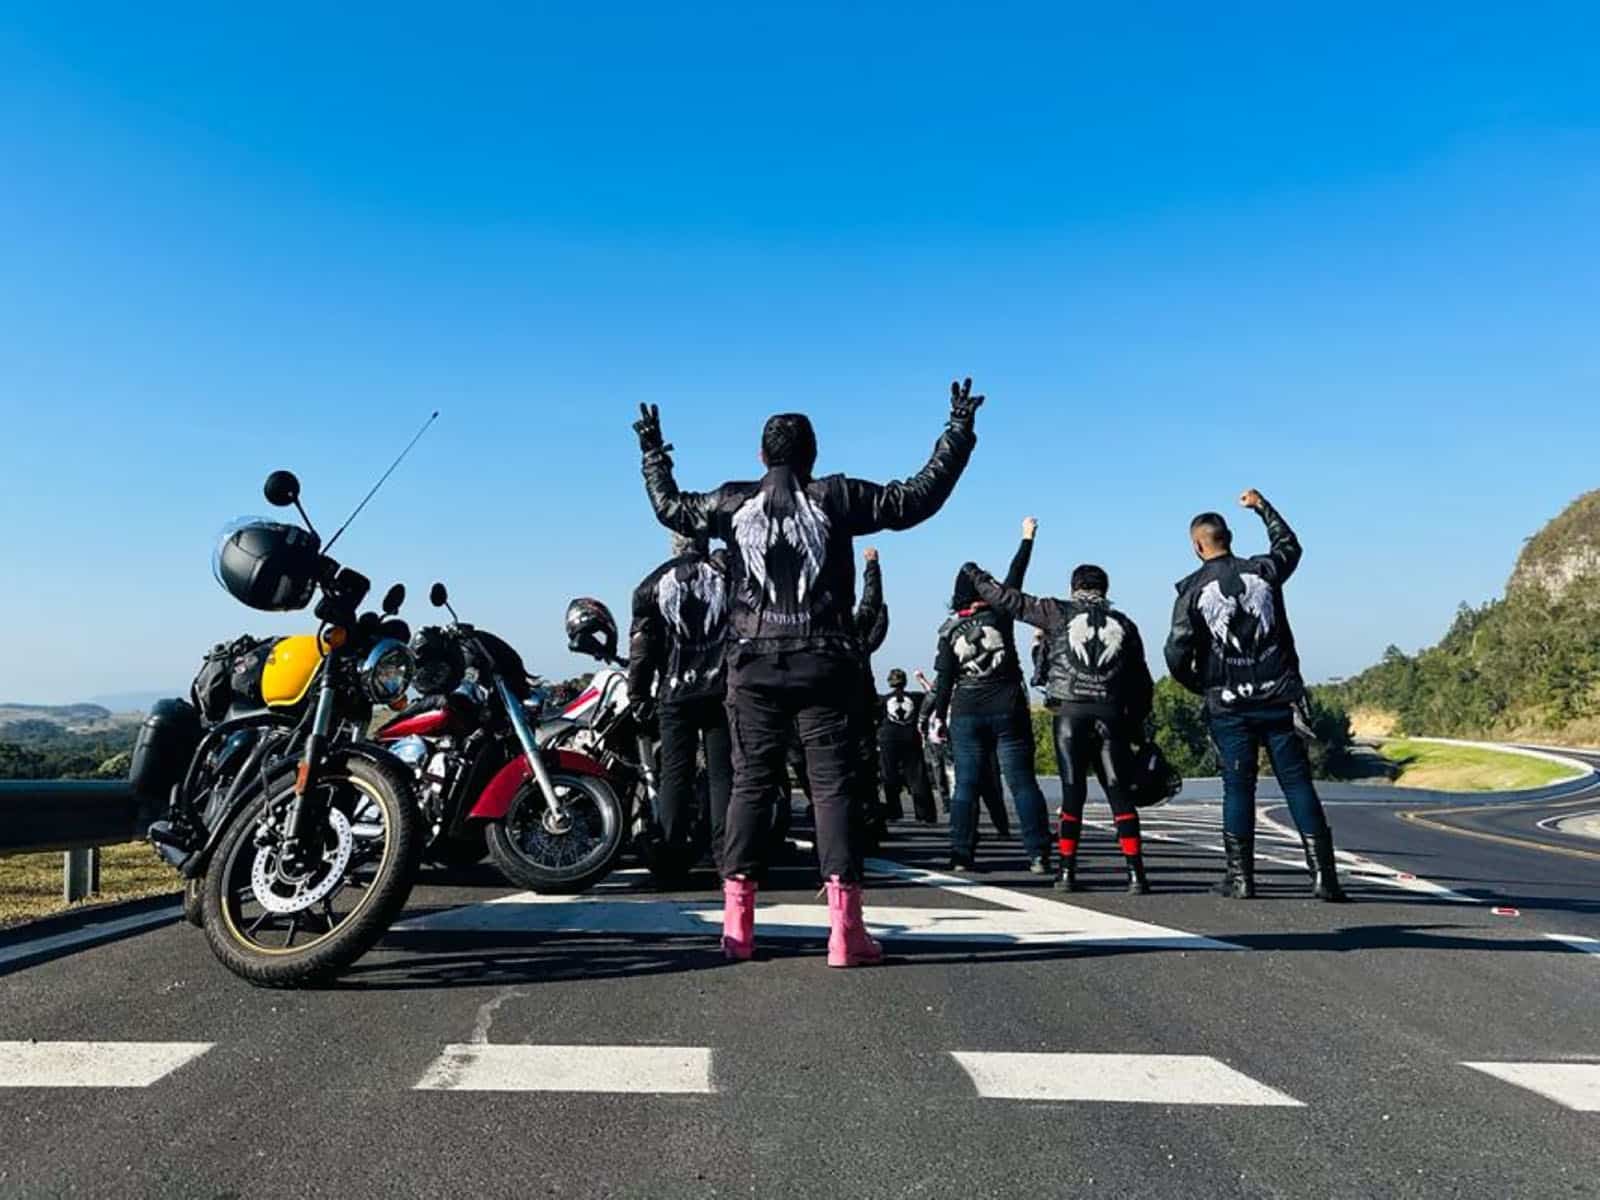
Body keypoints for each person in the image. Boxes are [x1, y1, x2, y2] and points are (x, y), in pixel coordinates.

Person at [634, 378, 982, 966]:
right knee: (832, 787)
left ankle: (738, 927)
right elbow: (915, 498)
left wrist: (653, 452)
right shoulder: (837, 496)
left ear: (761, 456)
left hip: (753, 663)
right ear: (812, 454)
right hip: (827, 659)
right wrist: (957, 432)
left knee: (749, 783)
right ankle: (846, 930)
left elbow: (671, 507)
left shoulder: (730, 502)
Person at [1163, 489, 1348, 902]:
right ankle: (1325, 879)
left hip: (1228, 705)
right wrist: (1263, 508)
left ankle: (1241, 879)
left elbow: (1175, 652)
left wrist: (1201, 684)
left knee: (1238, 788)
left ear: (1198, 546)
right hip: (1279, 698)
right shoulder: (1264, 571)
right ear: (1228, 537)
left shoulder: (1192, 591)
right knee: (1297, 784)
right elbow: (1290, 546)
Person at [964, 559, 1155, 893]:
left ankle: (1067, 872)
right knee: (1119, 793)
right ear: (1105, 590)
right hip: (1110, 712)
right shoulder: (1125, 624)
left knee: (1073, 792)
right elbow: (1142, 682)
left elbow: (1008, 599)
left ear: (1074, 588)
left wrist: (975, 575)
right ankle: (1136, 874)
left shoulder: (1055, 611)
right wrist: (1136, 726)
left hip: (1070, 711)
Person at [931, 516, 1052, 874]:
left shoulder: (949, 629)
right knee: (1021, 781)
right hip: (1008, 705)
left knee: (965, 784)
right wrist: (1027, 538)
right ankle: (1038, 853)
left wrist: (939, 716)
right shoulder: (1002, 613)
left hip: (966, 709)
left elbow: (943, 680)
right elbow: (1017, 574)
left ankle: (961, 853)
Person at [627, 532, 733, 884]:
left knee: (675, 774)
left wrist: (638, 695)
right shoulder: (727, 574)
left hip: (674, 691)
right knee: (723, 776)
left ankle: (672, 856)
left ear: (674, 545)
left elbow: (641, 651)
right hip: (722, 688)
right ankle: (726, 860)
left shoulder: (651, 585)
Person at [878, 667, 937, 823]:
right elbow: (932, 695)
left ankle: (893, 811)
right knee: (917, 775)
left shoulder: (882, 700)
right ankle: (925, 814)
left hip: (888, 738)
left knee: (889, 775)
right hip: (911, 737)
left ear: (890, 683)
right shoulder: (916, 698)